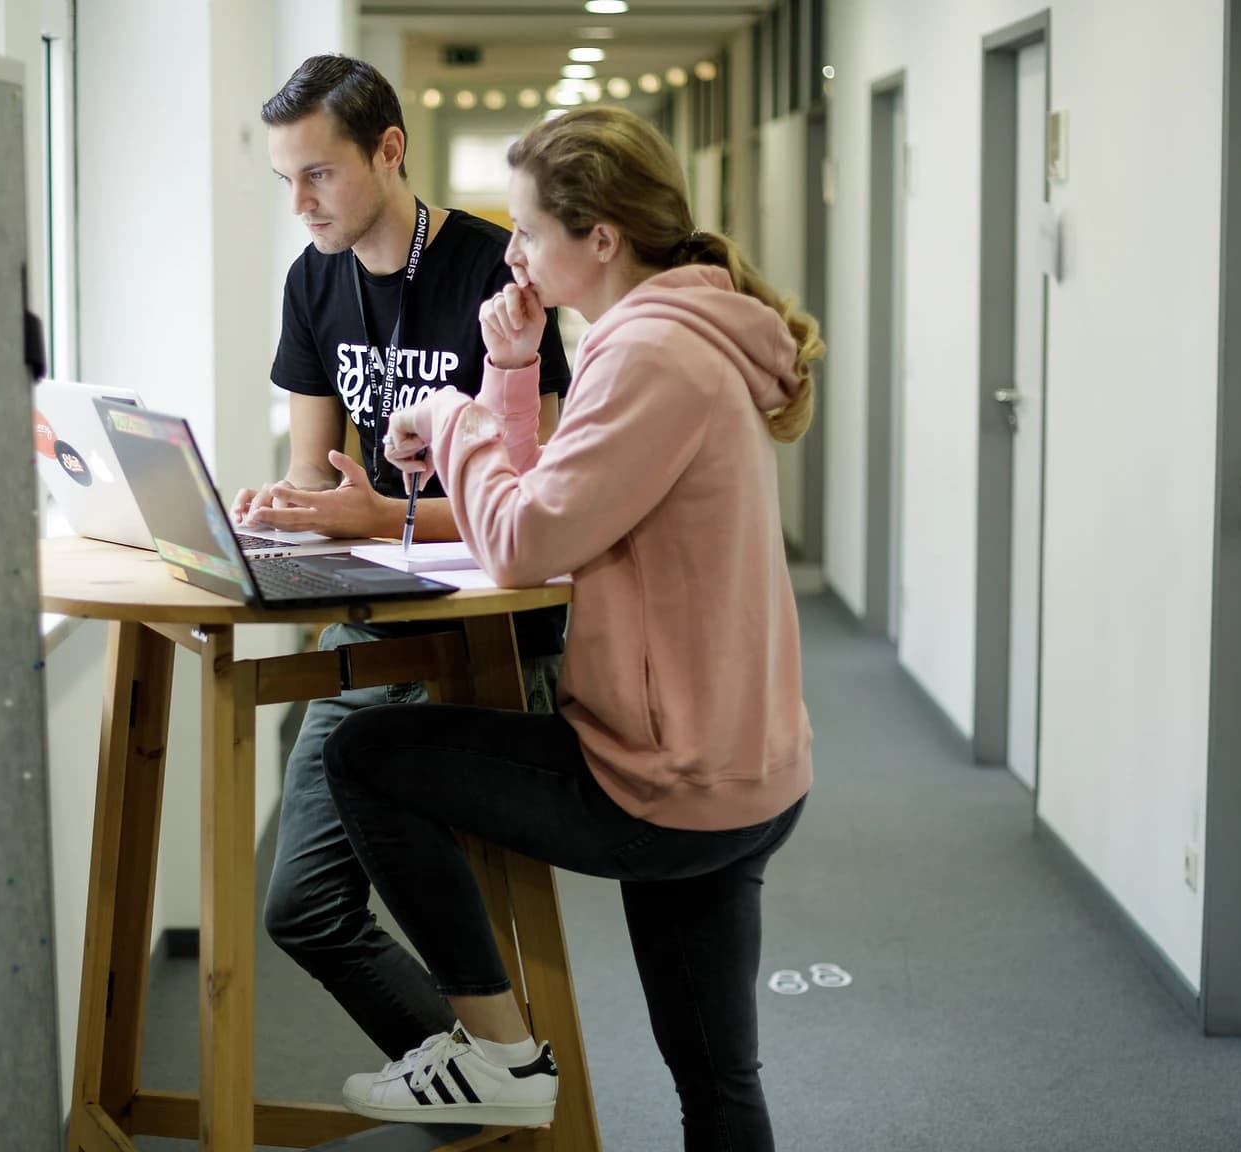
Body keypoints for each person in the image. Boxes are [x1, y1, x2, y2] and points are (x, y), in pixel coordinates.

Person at [320, 104, 823, 1150]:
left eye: (528, 231)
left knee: (367, 754)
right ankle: (495, 1058)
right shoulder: (672, 333)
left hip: (665, 776)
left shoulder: (651, 358)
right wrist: (509, 372)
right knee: (716, 1083)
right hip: (738, 761)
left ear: (601, 239)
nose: (509, 252)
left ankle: (496, 1055)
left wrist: (455, 415)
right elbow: (560, 502)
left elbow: (520, 539)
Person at [243, 54, 575, 1061]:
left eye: (318, 174)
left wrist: (372, 515)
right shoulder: (313, 281)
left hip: (490, 634)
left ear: (388, 150)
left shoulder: (489, 272)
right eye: (284, 181)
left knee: (472, 911)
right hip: (373, 616)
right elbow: (315, 480)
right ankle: (491, 1092)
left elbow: (540, 507)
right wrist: (277, 511)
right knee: (302, 909)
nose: (300, 203)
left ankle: (504, 1090)